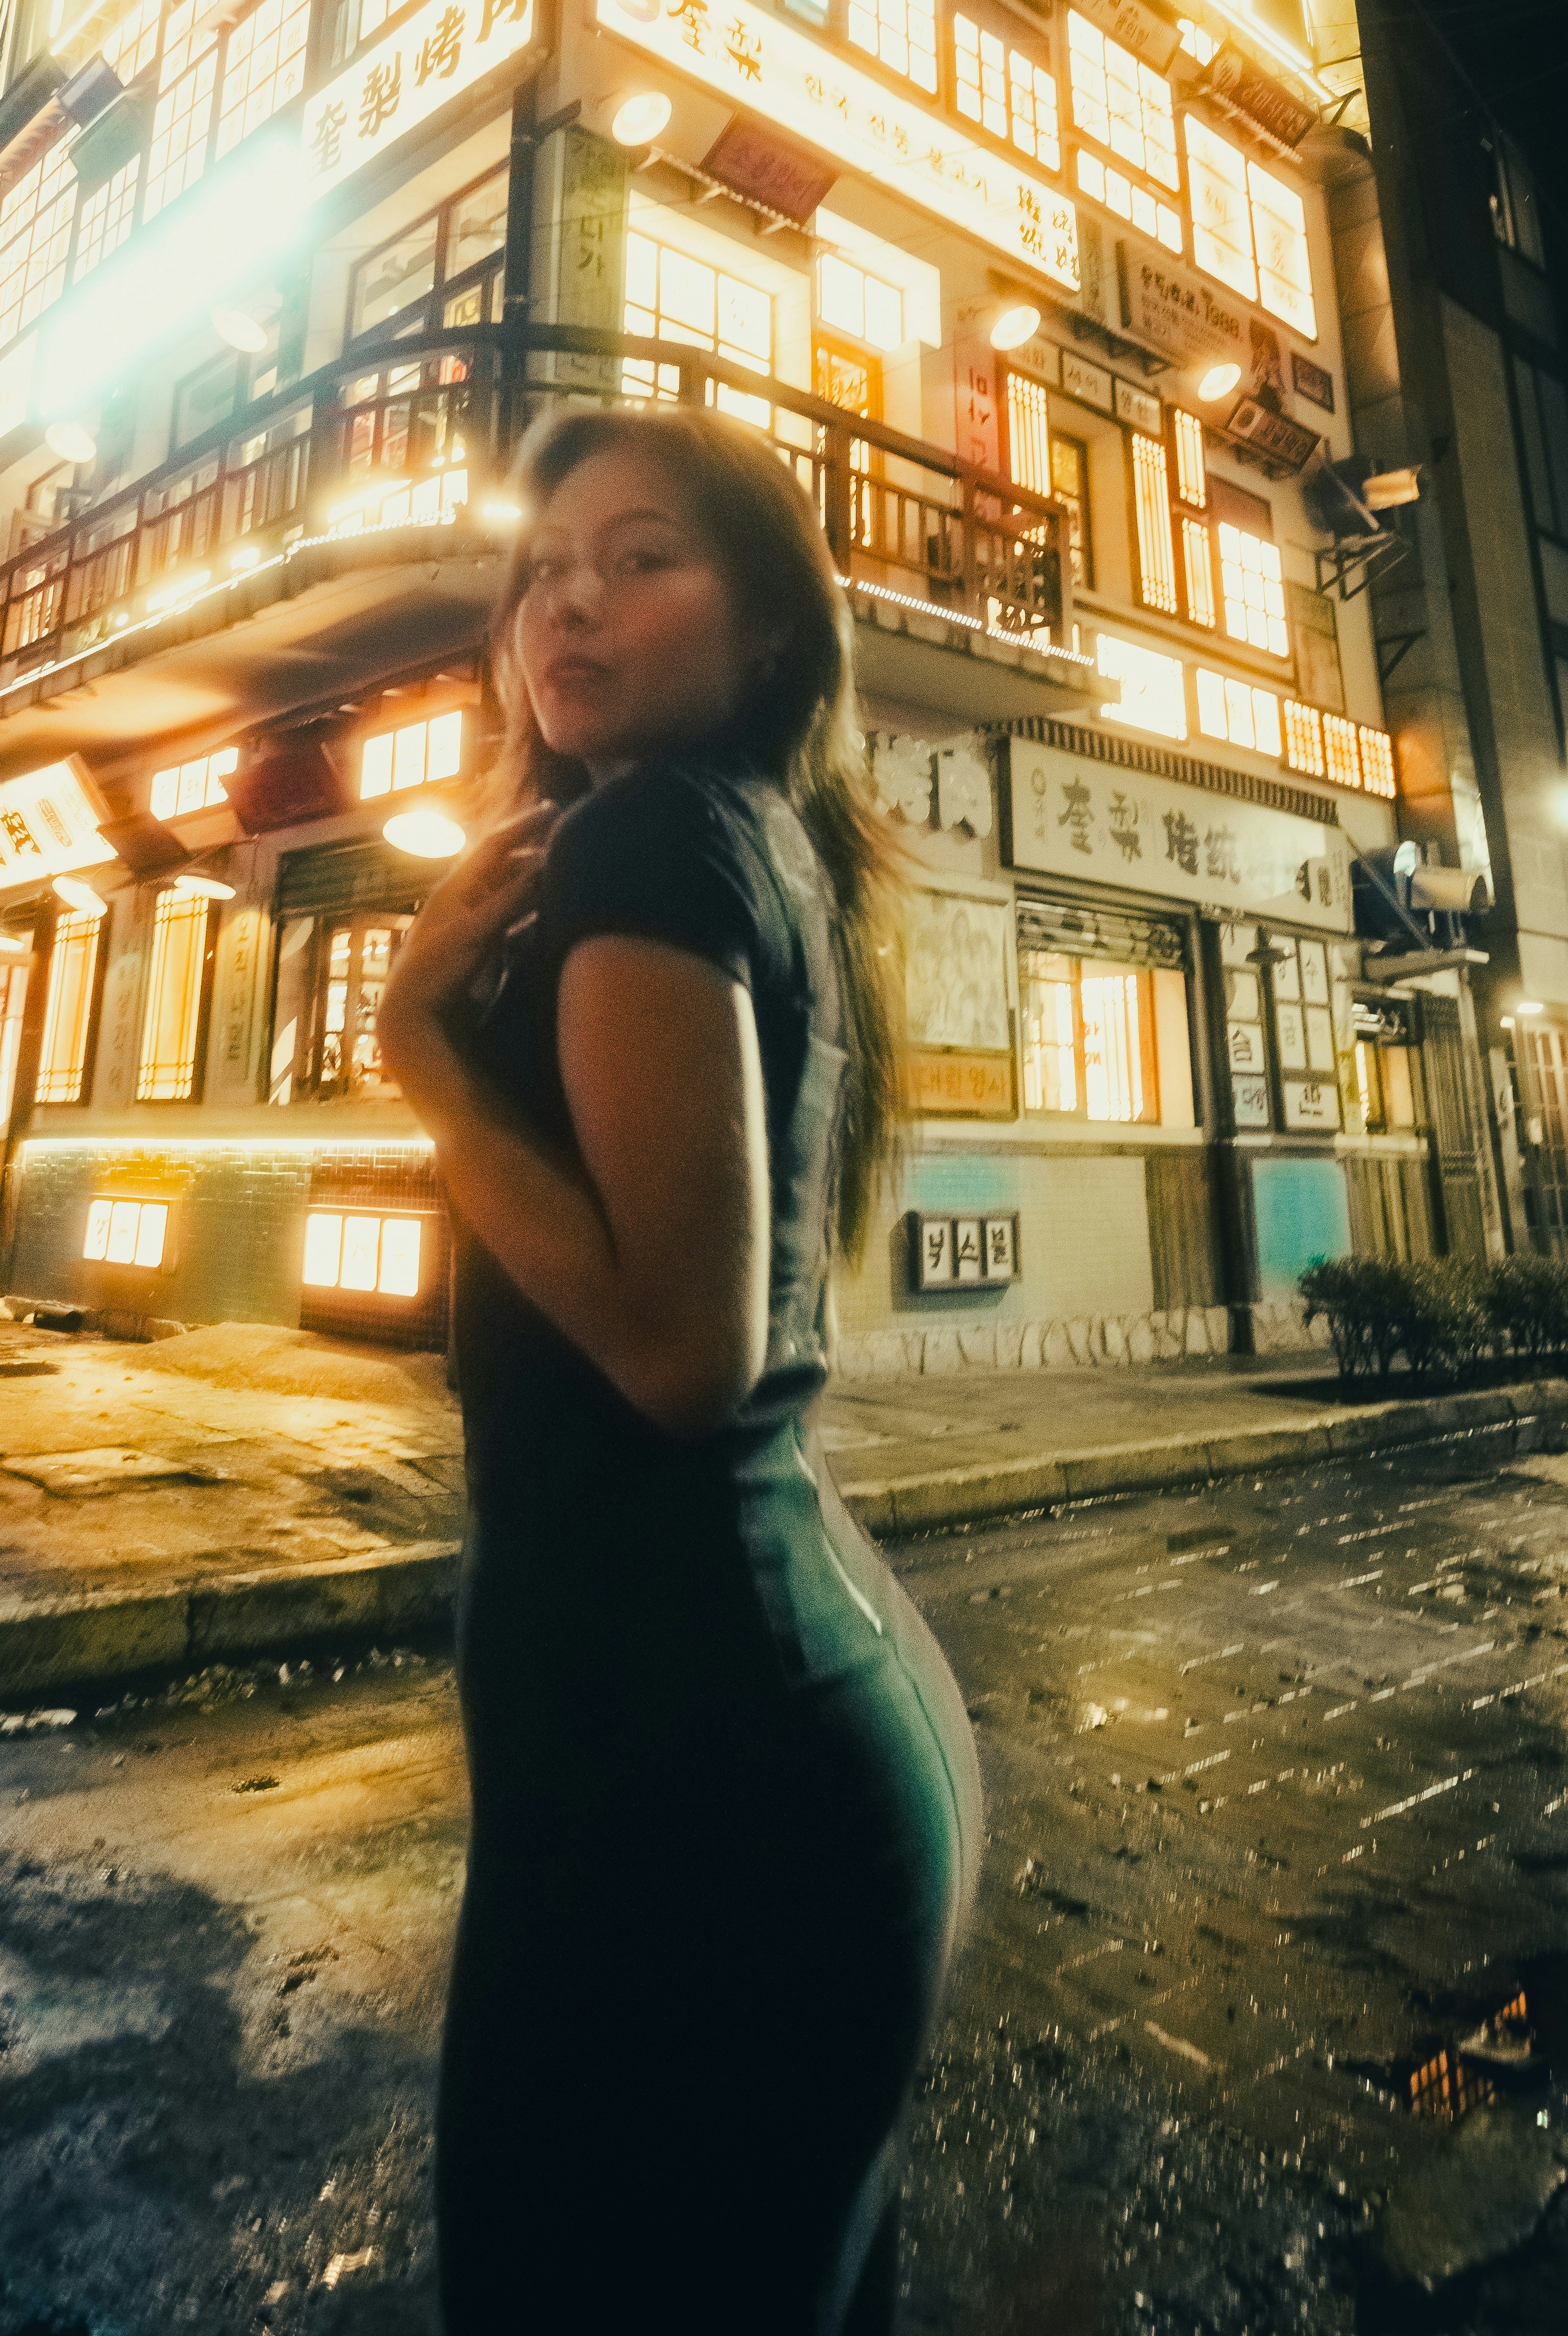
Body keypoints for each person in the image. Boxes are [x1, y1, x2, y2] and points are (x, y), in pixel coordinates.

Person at [377, 403, 984, 2335]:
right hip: (769, 1723)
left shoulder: (652, 836)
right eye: (544, 570)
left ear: (773, 631)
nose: (573, 602)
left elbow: (674, 1353)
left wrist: (418, 1056)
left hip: (695, 1789)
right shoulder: (752, 839)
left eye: (644, 559)